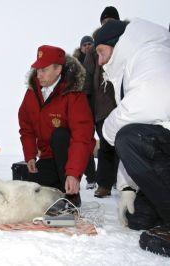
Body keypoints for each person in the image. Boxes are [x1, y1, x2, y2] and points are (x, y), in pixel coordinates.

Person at [95, 18, 170, 257]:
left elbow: (155, 99)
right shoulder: (129, 67)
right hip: (162, 144)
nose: (99, 60)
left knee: (127, 136)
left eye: (100, 52)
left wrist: (108, 130)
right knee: (136, 216)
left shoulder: (151, 52)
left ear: (116, 44)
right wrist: (127, 187)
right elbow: (138, 123)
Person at [18, 45, 95, 207]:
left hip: (73, 157)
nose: (38, 75)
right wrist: (30, 155)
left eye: (43, 70)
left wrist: (73, 174)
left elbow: (82, 137)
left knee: (60, 135)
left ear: (58, 69)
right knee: (29, 190)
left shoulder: (73, 95)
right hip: (48, 157)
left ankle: (72, 196)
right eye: (37, 69)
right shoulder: (32, 92)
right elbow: (26, 127)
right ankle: (59, 188)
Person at [83, 6, 121, 198]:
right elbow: (88, 77)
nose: (108, 24)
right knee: (106, 145)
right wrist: (86, 103)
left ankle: (126, 184)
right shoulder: (94, 48)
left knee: (124, 144)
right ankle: (104, 184)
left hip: (122, 102)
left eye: (111, 21)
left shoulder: (125, 41)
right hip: (101, 106)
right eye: (104, 21)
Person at [73, 35, 97, 190]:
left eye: (90, 44)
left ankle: (96, 178)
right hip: (80, 107)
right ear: (81, 48)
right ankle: (87, 177)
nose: (87, 47)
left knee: (92, 142)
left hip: (96, 106)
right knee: (82, 140)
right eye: (84, 45)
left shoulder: (98, 60)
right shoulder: (74, 65)